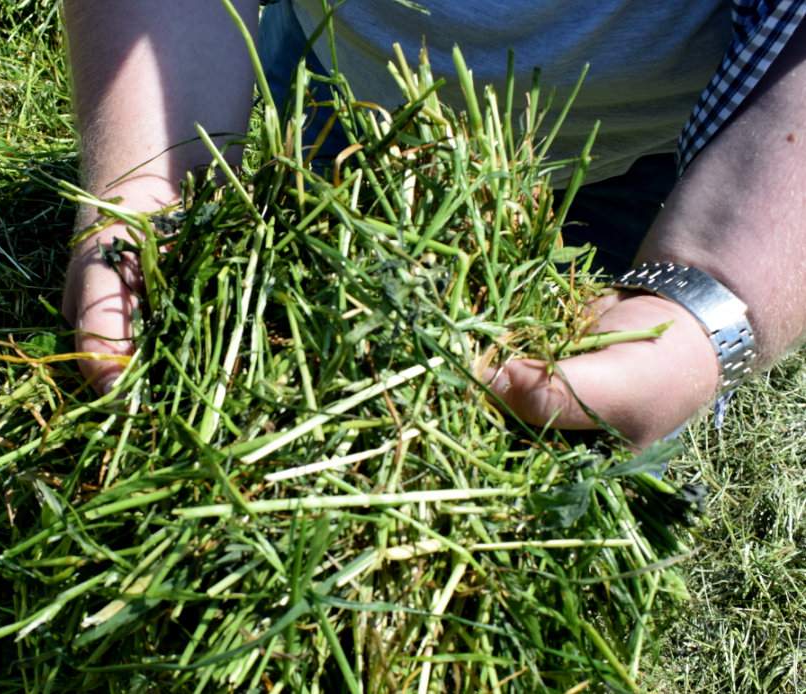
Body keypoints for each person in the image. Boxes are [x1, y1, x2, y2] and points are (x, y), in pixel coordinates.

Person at [60, 0, 806, 449]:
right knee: (302, 341)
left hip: (670, 165)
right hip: (343, 82)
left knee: (580, 428)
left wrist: (710, 297)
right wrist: (152, 179)